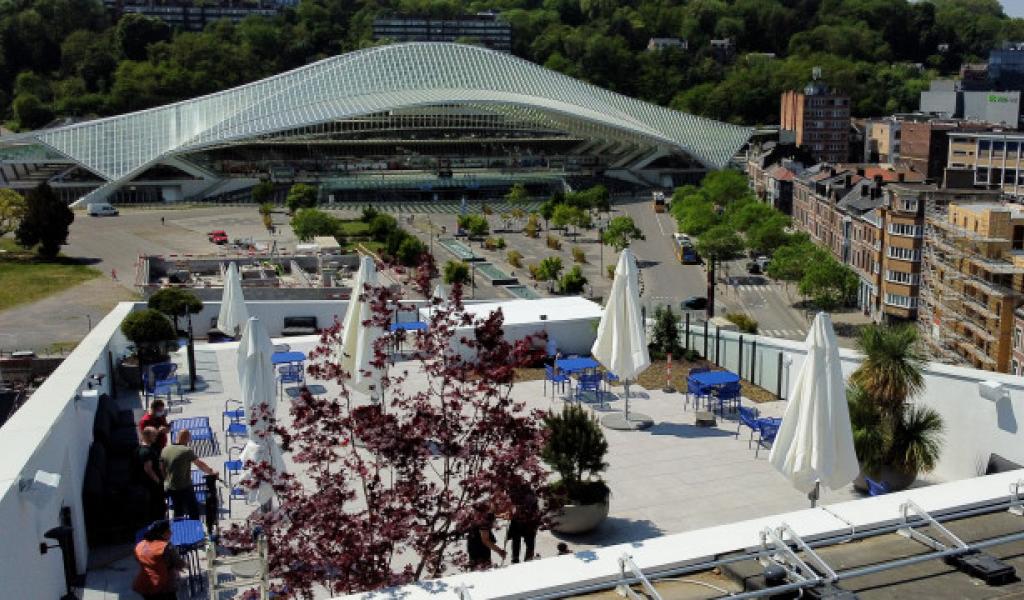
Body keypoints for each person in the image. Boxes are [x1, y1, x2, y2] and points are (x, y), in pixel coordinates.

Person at [161, 430, 218, 520]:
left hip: (169, 486)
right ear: (187, 439)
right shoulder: (186, 451)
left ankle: (178, 526)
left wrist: (166, 480)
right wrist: (211, 472)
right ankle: (195, 526)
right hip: (184, 486)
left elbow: (161, 468)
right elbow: (200, 464)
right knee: (193, 510)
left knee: (178, 510)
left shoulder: (165, 450)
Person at [132, 520, 185, 600]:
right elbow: (179, 564)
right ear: (162, 533)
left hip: (144, 584)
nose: (171, 533)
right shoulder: (166, 547)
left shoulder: (140, 545)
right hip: (164, 586)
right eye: (169, 531)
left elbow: (138, 559)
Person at [138, 427, 166, 523]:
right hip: (153, 486)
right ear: (148, 436)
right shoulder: (146, 452)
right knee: (157, 510)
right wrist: (158, 481)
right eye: (154, 435)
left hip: (152, 485)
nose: (156, 437)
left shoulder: (146, 448)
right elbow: (148, 469)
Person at [506, 490, 540, 564]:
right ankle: (518, 559)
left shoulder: (529, 494)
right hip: (520, 522)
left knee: (525, 543)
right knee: (518, 542)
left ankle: (522, 559)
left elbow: (535, 510)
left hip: (528, 522)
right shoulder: (515, 493)